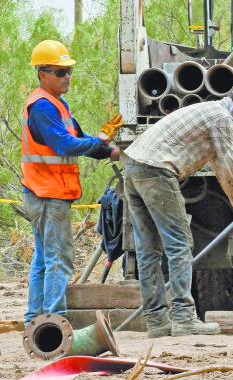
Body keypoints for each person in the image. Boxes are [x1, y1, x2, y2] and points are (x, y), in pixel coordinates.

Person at [122, 80, 233, 337]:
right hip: (157, 171)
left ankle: (157, 323)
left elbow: (217, 164)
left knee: (148, 250)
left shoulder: (209, 111)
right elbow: (228, 164)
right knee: (179, 244)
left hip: (134, 167)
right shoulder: (221, 118)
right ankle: (183, 318)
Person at [22, 40, 120, 326]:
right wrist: (99, 141)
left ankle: (34, 319)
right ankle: (54, 321)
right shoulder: (42, 107)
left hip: (47, 192)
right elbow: (65, 145)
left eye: (68, 71)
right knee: (58, 259)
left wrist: (108, 150)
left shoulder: (58, 105)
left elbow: (80, 137)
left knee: (43, 257)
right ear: (42, 73)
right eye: (60, 72)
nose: (67, 77)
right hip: (46, 193)